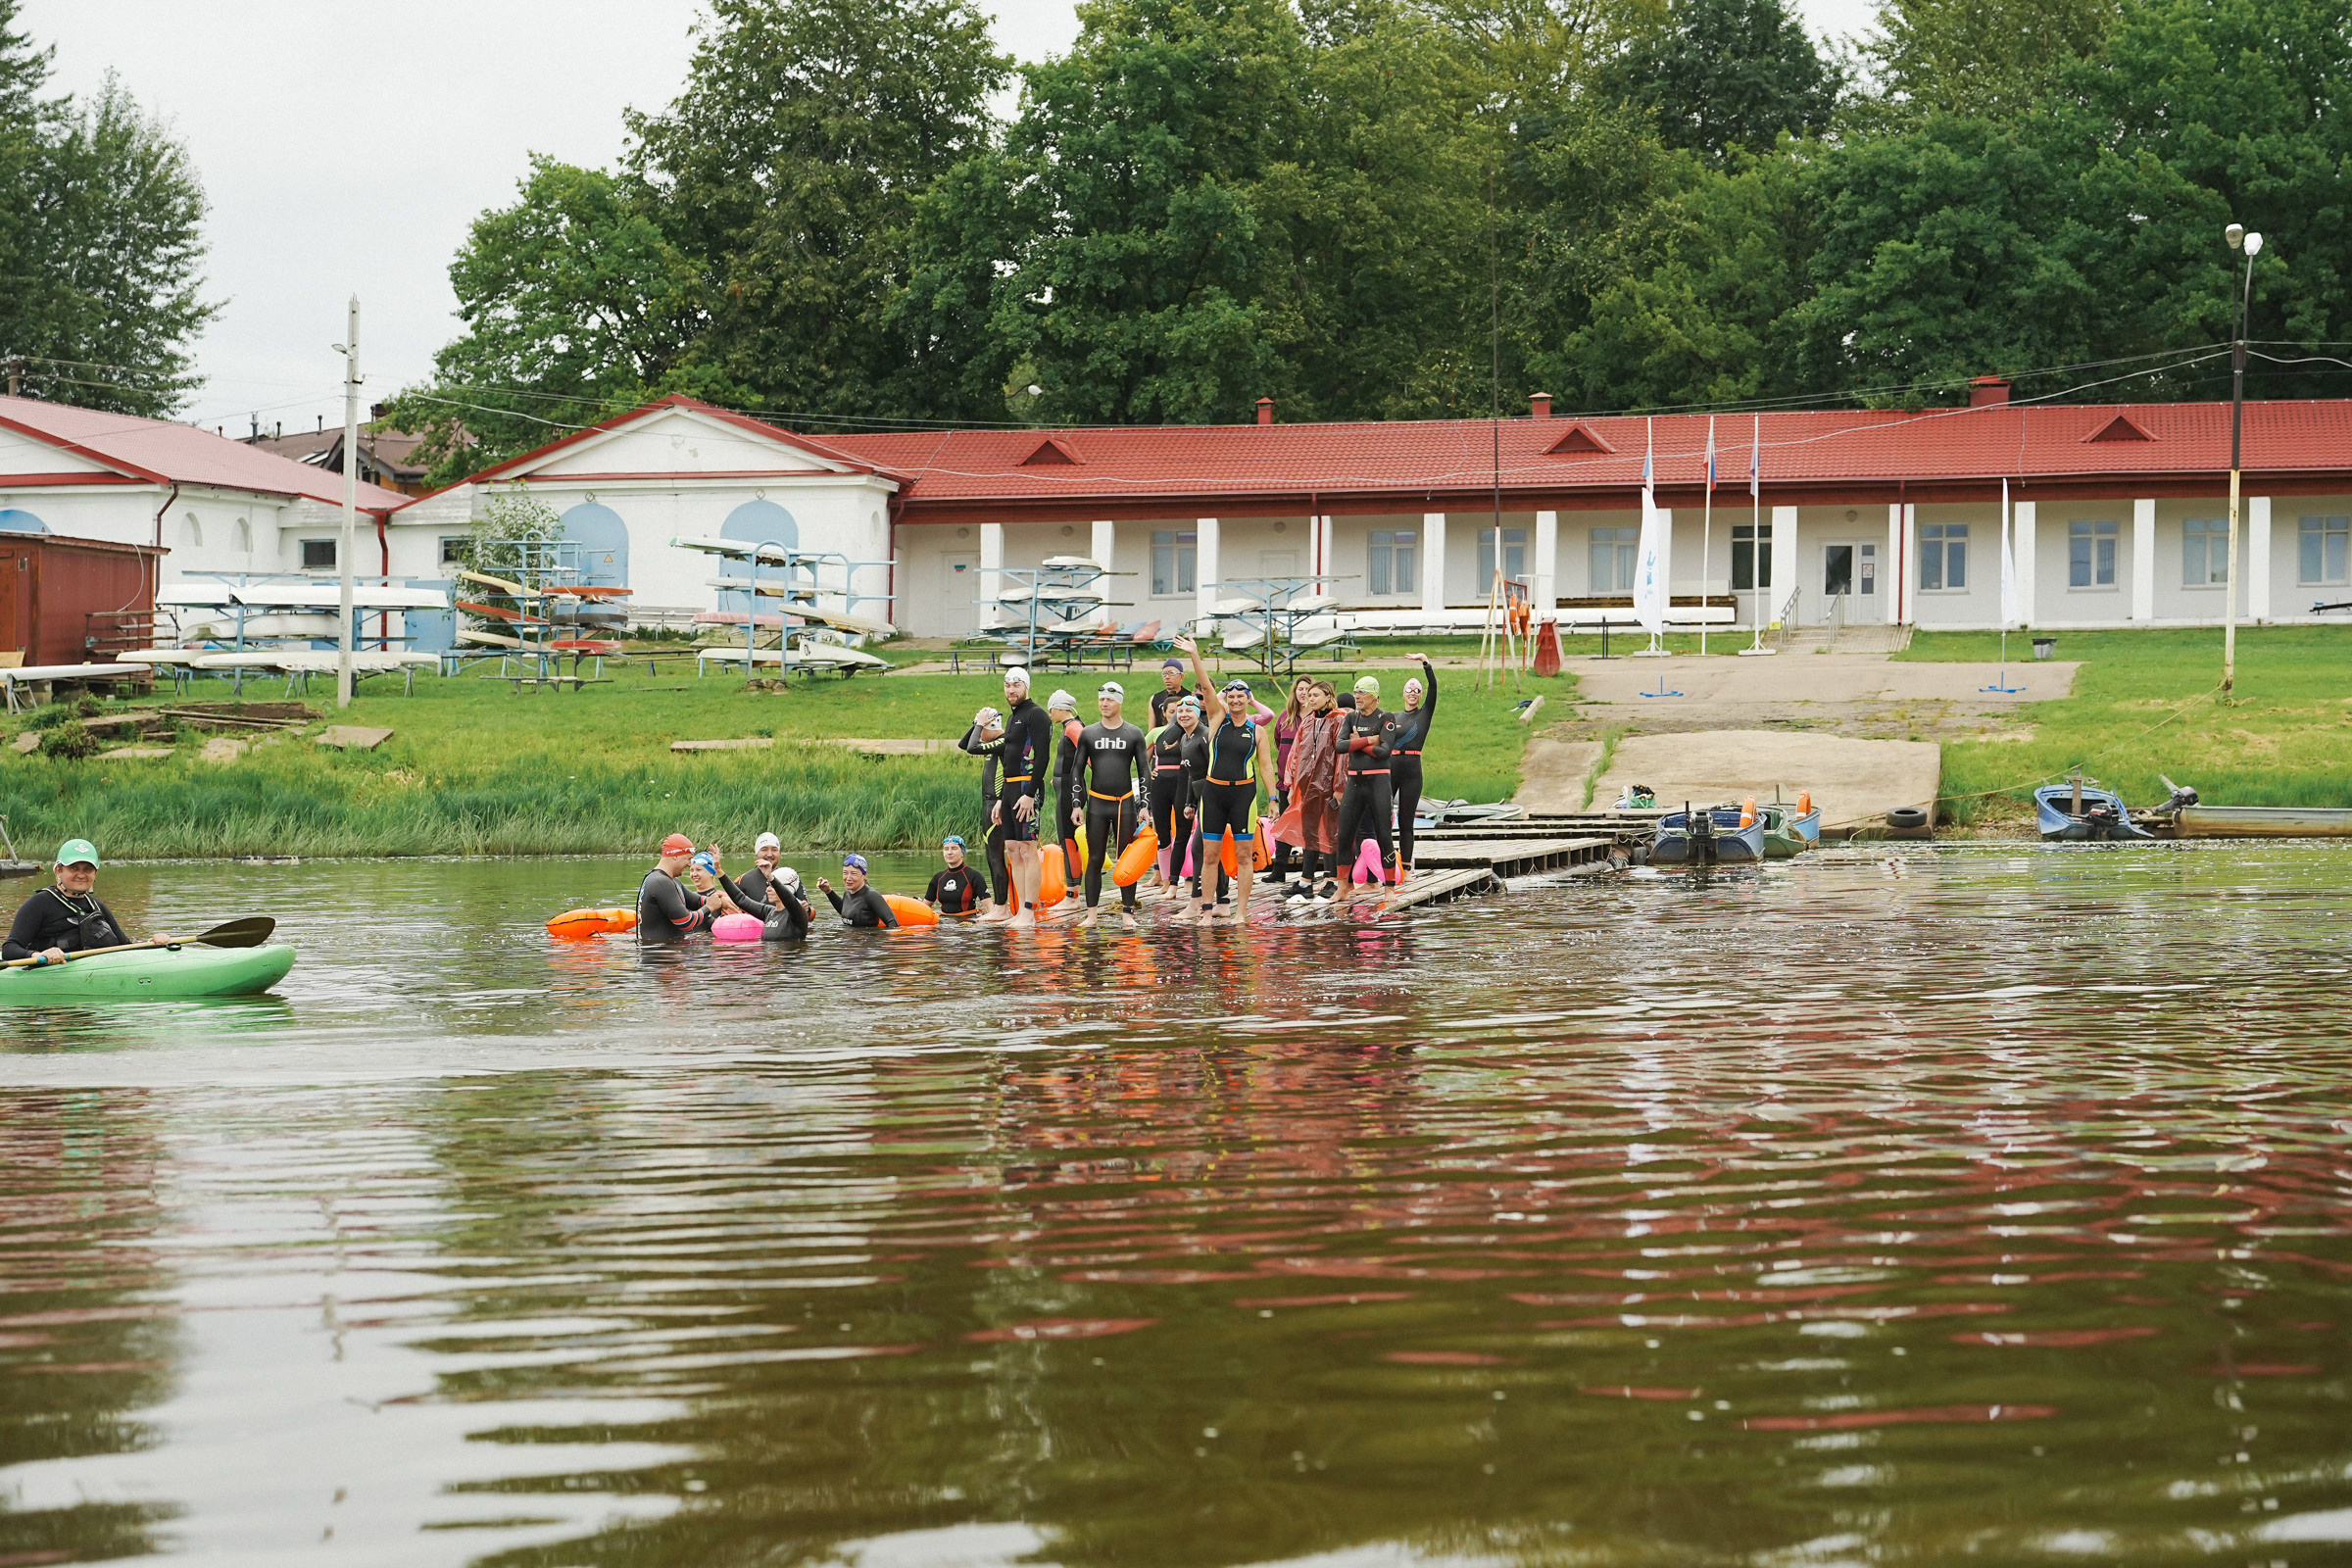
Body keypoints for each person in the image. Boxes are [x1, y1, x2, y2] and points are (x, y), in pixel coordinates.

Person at [1175, 640, 1278, 924]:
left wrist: (1272, 798)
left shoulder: (1257, 731)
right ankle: (1207, 913)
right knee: (1210, 855)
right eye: (1230, 697)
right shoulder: (1217, 720)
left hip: (1243, 796)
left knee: (1244, 856)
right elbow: (1206, 688)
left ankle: (1241, 913)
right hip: (1214, 794)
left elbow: (1267, 767)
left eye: (1240, 697)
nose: (1234, 701)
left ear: (1248, 699)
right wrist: (1195, 654)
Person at [1071, 679, 1148, 929]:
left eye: (1109, 700)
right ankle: (1091, 915)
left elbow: (1144, 770)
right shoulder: (1089, 733)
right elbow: (1077, 770)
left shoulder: (1133, 733)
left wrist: (1144, 804)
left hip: (1125, 804)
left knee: (1127, 859)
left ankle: (1127, 914)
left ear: (1120, 702)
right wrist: (1076, 804)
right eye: (1101, 699)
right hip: (1097, 804)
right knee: (1093, 859)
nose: (1104, 703)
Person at [4, 839, 153, 965]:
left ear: (95, 874)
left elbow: (126, 947)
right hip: (51, 975)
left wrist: (154, 943)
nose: (81, 875)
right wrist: (38, 955)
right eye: (74, 868)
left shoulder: (98, 907)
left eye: (88, 869)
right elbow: (9, 948)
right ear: (58, 870)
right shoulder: (39, 903)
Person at [988, 667, 1052, 930]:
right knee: (1013, 850)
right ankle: (1019, 910)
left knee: (1028, 849)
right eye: (1007, 685)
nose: (1011, 690)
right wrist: (1002, 799)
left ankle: (1029, 911)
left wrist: (1029, 794)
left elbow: (1043, 757)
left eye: (1016, 685)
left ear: (1026, 686)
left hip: (1028, 789)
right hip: (1012, 789)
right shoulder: (1014, 718)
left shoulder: (1036, 714)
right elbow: (1010, 762)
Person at [1336, 673, 1402, 890]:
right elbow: (1340, 746)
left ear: (1375, 696)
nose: (1357, 696)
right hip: (1355, 783)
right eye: (1356, 692)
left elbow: (1384, 752)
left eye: (1362, 692)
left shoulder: (1386, 718)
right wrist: (1369, 740)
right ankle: (1344, 888)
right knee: (1344, 836)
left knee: (1384, 835)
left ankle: (1389, 887)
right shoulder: (1351, 718)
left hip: (1378, 782)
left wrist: (1357, 742)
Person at [1284, 679, 1348, 904]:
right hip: (1308, 785)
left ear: (1328, 697)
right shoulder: (1308, 721)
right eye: (1309, 695)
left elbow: (1343, 756)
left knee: (1331, 832)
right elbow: (1296, 752)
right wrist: (1292, 783)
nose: (1310, 699)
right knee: (1309, 832)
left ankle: (1333, 880)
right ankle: (1306, 881)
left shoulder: (1339, 720)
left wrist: (1339, 787)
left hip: (1329, 786)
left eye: (1315, 695)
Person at [1145, 694, 1203, 899]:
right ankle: (1167, 879)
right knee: (1162, 834)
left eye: (1188, 710)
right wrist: (1148, 771)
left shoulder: (1195, 735)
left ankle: (1178, 881)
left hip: (1183, 783)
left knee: (1183, 833)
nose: (1181, 714)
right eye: (1178, 711)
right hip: (1160, 784)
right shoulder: (1160, 734)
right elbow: (1140, 756)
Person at [1389, 656, 1438, 881]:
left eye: (1416, 690)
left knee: (1406, 821)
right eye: (1409, 690)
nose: (1412, 693)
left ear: (1419, 695)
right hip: (1390, 768)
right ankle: (1385, 865)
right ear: (1403, 694)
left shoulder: (1424, 714)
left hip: (1412, 771)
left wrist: (1426, 664)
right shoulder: (1392, 717)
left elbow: (1433, 688)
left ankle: (1407, 869)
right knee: (1382, 818)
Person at [1267, 675, 1317, 887]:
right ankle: (1279, 870)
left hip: (1310, 783)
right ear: (1294, 692)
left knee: (1309, 827)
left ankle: (1309, 873)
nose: (1303, 692)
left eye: (1307, 689)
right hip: (1285, 782)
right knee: (1284, 825)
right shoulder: (1285, 717)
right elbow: (1279, 744)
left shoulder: (1318, 718)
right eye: (1299, 689)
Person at [638, 833, 713, 938]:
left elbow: (694, 901)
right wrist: (710, 907)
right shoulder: (660, 882)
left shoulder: (671, 880)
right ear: (675, 856)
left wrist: (717, 900)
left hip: (669, 949)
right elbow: (685, 922)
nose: (690, 864)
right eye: (688, 859)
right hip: (659, 952)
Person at [719, 860, 815, 942]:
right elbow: (740, 899)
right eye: (767, 885)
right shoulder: (769, 912)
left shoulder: (798, 914)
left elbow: (789, 899)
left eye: (772, 886)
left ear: (787, 888)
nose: (768, 889)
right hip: (769, 962)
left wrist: (770, 877)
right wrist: (719, 872)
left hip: (787, 962)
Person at [1048, 688, 1086, 887]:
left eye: (1051, 709)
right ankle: (1074, 889)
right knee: (1068, 839)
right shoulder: (1069, 726)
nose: (1050, 714)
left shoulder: (1073, 728)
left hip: (1072, 791)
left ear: (1058, 708)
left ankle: (1073, 892)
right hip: (1067, 787)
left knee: (1067, 840)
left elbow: (1089, 755)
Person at [819, 854, 900, 928]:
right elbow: (846, 913)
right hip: (850, 940)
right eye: (845, 873)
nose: (848, 878)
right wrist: (828, 891)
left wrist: (877, 940)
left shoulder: (871, 896)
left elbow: (893, 922)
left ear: (863, 875)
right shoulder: (847, 893)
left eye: (853, 874)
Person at [926, 835, 991, 915]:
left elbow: (989, 907)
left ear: (962, 852)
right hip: (943, 923)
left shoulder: (974, 876)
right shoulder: (938, 878)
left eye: (954, 848)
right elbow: (925, 907)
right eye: (946, 849)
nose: (949, 852)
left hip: (967, 924)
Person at [735, 832, 788, 908]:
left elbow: (810, 915)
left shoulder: (791, 877)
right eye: (764, 850)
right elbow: (728, 909)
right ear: (756, 853)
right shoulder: (743, 880)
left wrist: (807, 910)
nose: (769, 854)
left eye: (774, 850)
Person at [1148, 657, 1192, 729]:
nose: (1167, 677)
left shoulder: (1190, 697)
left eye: (1171, 673)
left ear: (1181, 676)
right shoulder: (1155, 699)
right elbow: (1151, 729)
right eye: (1164, 674)